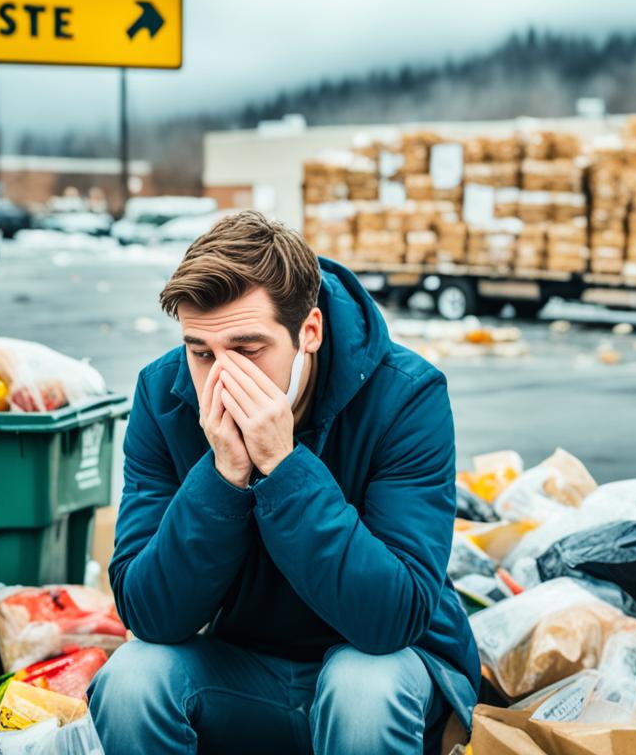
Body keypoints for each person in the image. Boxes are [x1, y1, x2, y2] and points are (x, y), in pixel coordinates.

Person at [89, 211, 479, 754]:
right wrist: (222, 477)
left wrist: (283, 466)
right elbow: (149, 613)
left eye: (248, 350)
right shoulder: (164, 397)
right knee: (133, 678)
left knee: (362, 686)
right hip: (240, 671)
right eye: (200, 352)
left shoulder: (405, 396)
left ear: (309, 332)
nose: (221, 380)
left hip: (386, 670)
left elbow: (395, 618)